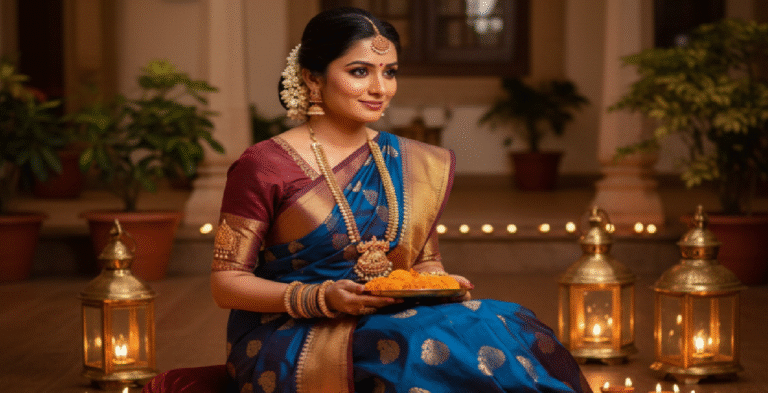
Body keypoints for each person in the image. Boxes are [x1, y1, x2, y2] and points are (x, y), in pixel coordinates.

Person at [145, 7, 592, 393]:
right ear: (312, 78)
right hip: (294, 330)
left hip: (396, 314)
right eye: (360, 71)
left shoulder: (412, 160)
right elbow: (226, 283)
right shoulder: (264, 165)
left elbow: (423, 262)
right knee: (419, 346)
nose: (381, 88)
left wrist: (437, 284)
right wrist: (321, 298)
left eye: (390, 71)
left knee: (505, 321)